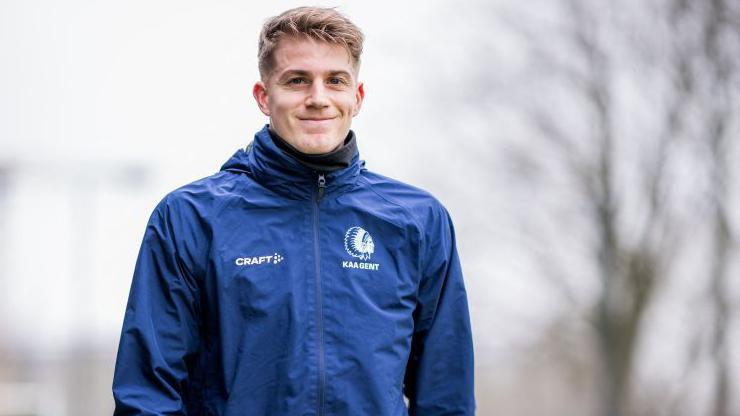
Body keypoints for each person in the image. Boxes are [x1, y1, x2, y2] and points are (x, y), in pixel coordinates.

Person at [112, 6, 475, 415]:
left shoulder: (418, 221)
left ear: (357, 97)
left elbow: (446, 395)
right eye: (297, 80)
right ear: (264, 97)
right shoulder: (190, 219)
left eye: (335, 81)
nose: (318, 98)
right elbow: (146, 396)